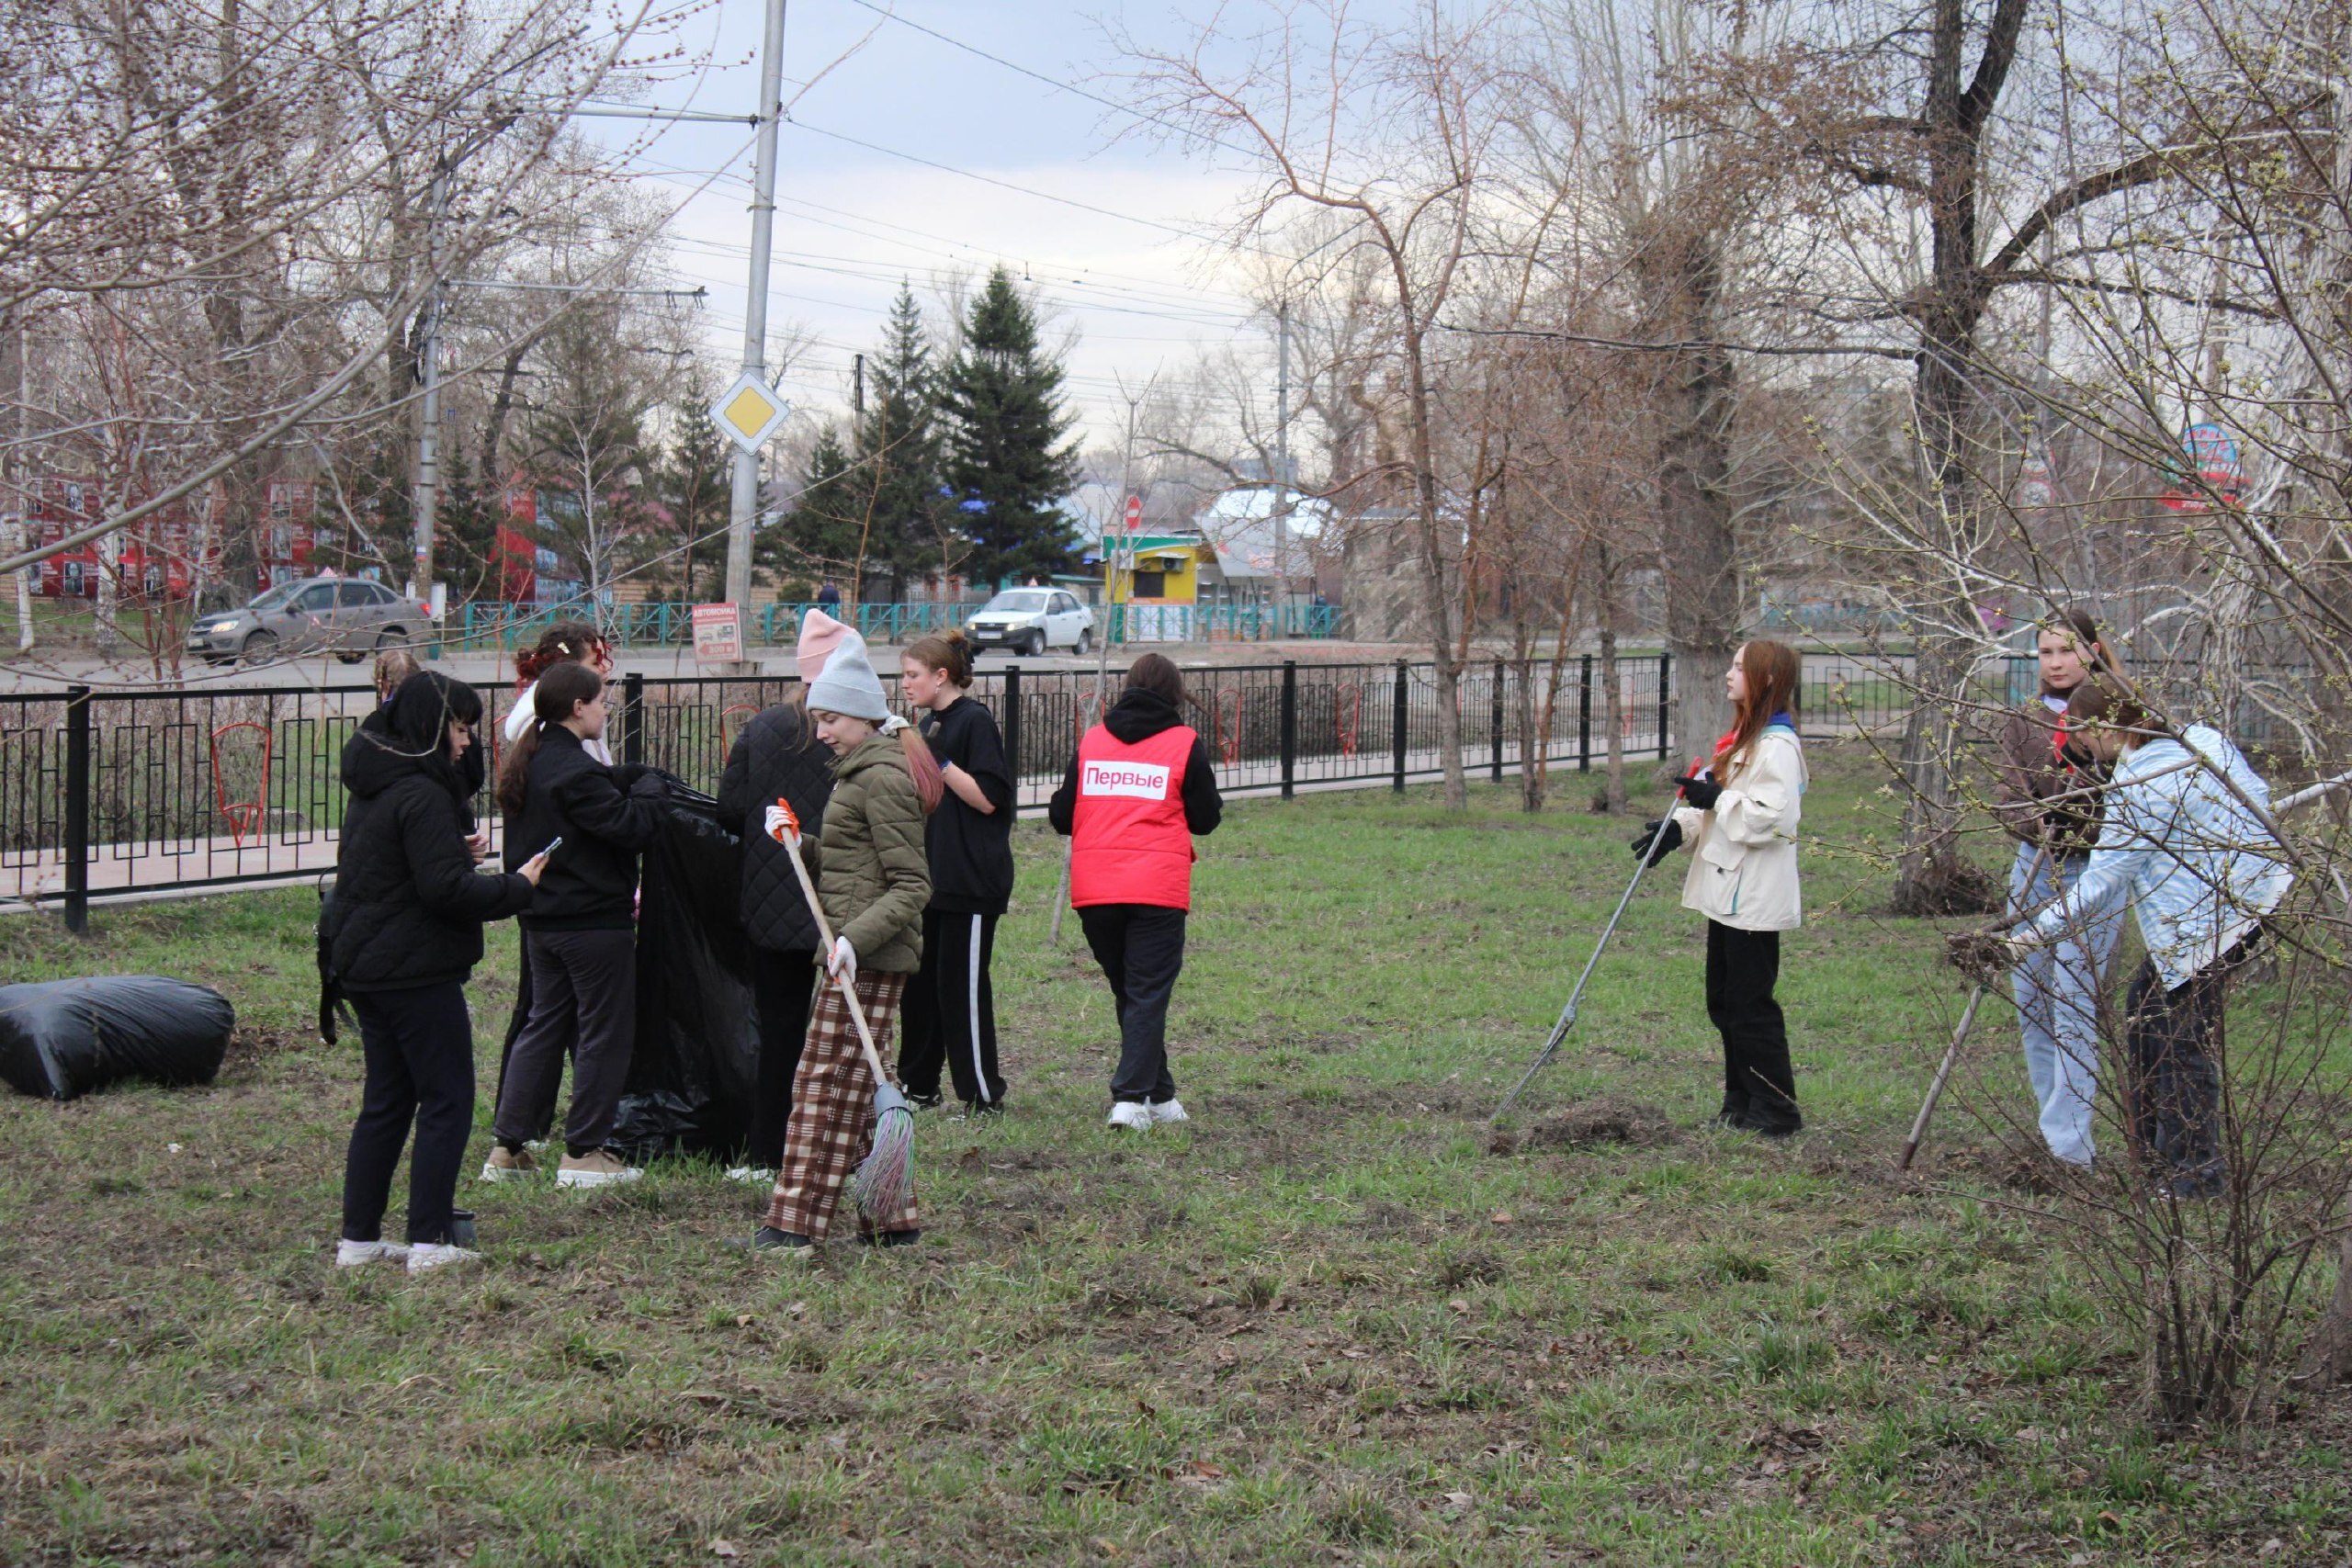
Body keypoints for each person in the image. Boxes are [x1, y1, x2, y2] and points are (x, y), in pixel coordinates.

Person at [1998, 679, 2292, 1199]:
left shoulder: (2141, 788)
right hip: (2254, 898)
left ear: (2104, 728)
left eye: (2081, 737)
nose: (2080, 749)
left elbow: (2100, 883)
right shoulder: (2199, 739)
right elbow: (2259, 796)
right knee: (2145, 1014)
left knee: (2178, 1042)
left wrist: (2027, 940)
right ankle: (2156, 1161)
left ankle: (2194, 1176)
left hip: (2206, 925)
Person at [327, 671, 548, 1273]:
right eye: (459, 728)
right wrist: (518, 886)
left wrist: (452, 849)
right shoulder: (423, 792)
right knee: (447, 1098)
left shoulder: (379, 780)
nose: (466, 743)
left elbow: (395, 862)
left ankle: (359, 1240)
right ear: (431, 726)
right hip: (415, 971)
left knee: (387, 1101)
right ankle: (429, 1240)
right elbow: (445, 891)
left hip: (368, 966)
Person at [748, 630, 942, 1255]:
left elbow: (912, 883)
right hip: (853, 952)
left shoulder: (881, 778)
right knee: (858, 1086)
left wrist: (855, 940)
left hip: (868, 957)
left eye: (830, 718)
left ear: (861, 714)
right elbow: (854, 864)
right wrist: (798, 841)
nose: (822, 731)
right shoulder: (857, 773)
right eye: (819, 718)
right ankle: (891, 1218)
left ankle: (794, 1225)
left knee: (823, 1085)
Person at [487, 661, 670, 1188]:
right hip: (592, 924)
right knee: (603, 1033)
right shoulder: (574, 771)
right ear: (577, 707)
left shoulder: (534, 761)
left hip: (543, 923)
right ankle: (584, 1153)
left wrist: (624, 777)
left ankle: (508, 1148)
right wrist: (651, 788)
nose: (606, 711)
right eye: (601, 701)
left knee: (543, 1026)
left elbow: (588, 800)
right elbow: (632, 827)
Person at [1631, 640, 1808, 1137]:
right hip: (1727, 891)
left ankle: (1777, 1111)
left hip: (1754, 896)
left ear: (1767, 679)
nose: (1729, 674)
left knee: (1751, 1007)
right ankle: (1741, 1102)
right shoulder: (1743, 740)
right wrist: (1678, 829)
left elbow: (1772, 820)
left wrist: (1717, 798)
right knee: (1725, 1002)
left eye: (1739, 667)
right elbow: (1718, 806)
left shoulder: (1777, 747)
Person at [1048, 653, 1224, 1131]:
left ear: (1127, 687)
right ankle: (1130, 1100)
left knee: (1131, 991)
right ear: (1175, 693)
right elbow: (1206, 819)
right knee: (1145, 993)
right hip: (1155, 888)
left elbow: (1061, 815)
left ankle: (1161, 1096)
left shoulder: (1093, 740)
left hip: (1095, 889)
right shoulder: (1183, 742)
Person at [712, 609, 852, 1184]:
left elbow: (729, 810)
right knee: (844, 1035)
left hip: (770, 901)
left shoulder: (764, 727)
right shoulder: (862, 734)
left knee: (779, 1032)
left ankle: (767, 1151)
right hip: (842, 901)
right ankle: (834, 1147)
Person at [1991, 609, 2126, 1167]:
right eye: (2045, 652)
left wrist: (2080, 820)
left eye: (2067, 650)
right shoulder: (2024, 719)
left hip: (2094, 872)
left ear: (2092, 650)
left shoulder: (2118, 711)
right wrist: (2038, 822)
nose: (2056, 663)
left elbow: (2129, 800)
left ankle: (2071, 1148)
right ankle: (2056, 1131)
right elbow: (2008, 796)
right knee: (2033, 1002)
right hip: (2035, 868)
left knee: (2074, 1004)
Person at [898, 628, 1016, 1112]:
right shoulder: (929, 724)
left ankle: (982, 1095)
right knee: (921, 988)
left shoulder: (974, 721)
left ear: (941, 675)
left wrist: (937, 760)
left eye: (913, 675)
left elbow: (989, 799)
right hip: (933, 879)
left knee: (960, 989)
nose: (905, 684)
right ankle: (919, 1086)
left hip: (970, 880)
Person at [503, 621, 616, 765]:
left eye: (604, 659)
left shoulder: (579, 709)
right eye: (595, 662)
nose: (606, 668)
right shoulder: (551, 723)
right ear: (565, 668)